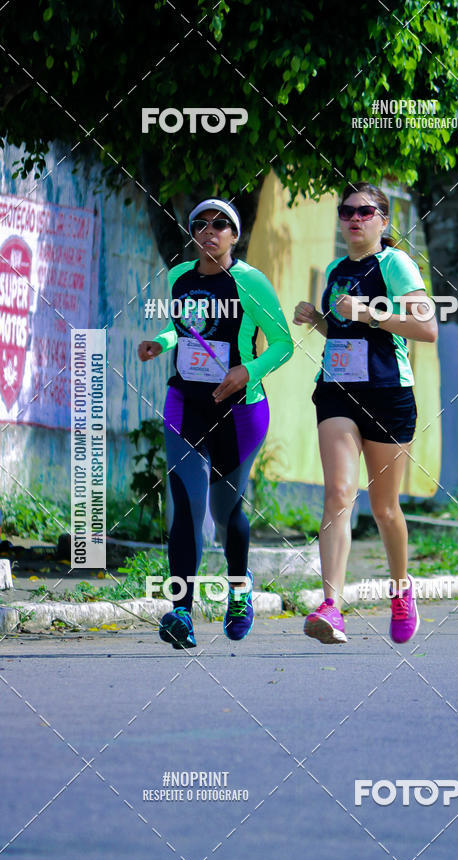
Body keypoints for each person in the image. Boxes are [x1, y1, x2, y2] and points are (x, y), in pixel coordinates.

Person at [138, 198, 293, 649]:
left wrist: (249, 371)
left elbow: (282, 344)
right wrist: (161, 342)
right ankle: (181, 611)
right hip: (185, 402)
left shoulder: (250, 283)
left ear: (234, 235)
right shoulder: (179, 277)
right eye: (200, 224)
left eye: (220, 224)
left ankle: (239, 592)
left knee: (225, 512)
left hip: (240, 409)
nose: (209, 231)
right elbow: (185, 328)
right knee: (184, 504)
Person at [294, 182, 437, 645]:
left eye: (365, 211)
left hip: (388, 393)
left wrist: (369, 314)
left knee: (385, 508)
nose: (354, 218)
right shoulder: (336, 268)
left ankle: (401, 590)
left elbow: (426, 327)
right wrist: (317, 319)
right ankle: (331, 607)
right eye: (346, 211)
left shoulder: (396, 264)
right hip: (337, 391)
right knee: (338, 492)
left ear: (384, 221)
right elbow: (343, 330)